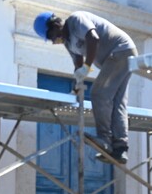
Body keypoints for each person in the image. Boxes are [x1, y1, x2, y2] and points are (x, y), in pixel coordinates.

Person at [33, 11, 137, 163]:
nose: (54, 41)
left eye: (51, 36)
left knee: (98, 93)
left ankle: (105, 140)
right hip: (121, 56)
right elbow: (78, 63)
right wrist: (77, 84)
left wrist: (87, 67)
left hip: (120, 50)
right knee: (118, 102)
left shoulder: (76, 20)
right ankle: (121, 148)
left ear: (56, 24)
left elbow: (93, 37)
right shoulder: (68, 43)